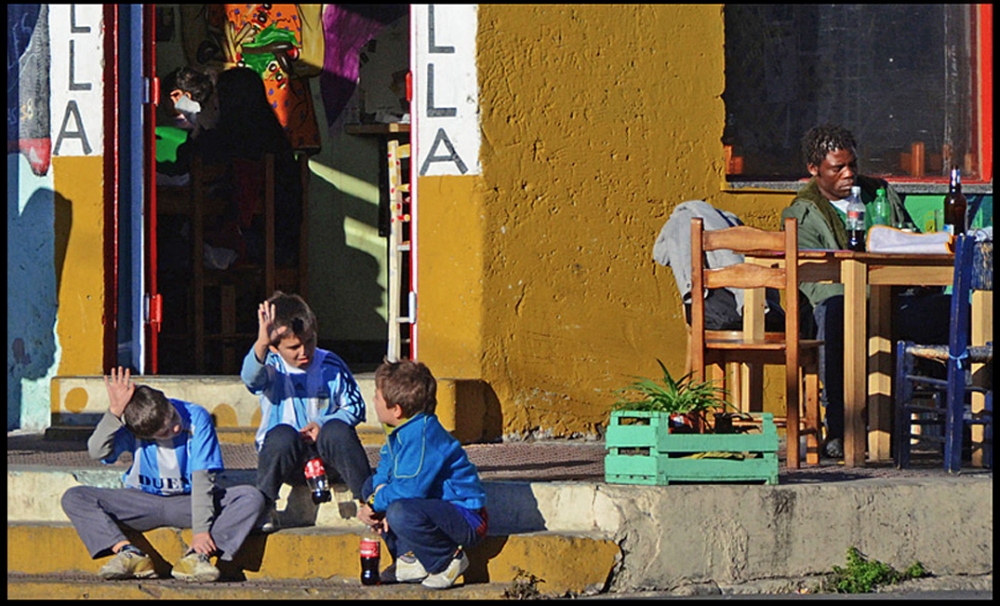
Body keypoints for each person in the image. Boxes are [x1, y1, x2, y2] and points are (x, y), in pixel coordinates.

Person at [782, 123, 951, 459]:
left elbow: (911, 241)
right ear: (814, 170)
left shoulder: (879, 194)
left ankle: (963, 422)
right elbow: (814, 285)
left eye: (852, 165)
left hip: (897, 301)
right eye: (837, 168)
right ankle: (841, 427)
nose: (848, 174)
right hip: (843, 307)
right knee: (834, 312)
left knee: (959, 312)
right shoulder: (802, 213)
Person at [61, 367, 266, 582]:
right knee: (75, 497)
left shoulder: (197, 417)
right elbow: (97, 451)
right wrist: (114, 413)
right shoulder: (131, 427)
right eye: (164, 432)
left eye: (174, 419)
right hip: (141, 502)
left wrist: (201, 533)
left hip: (187, 502)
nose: (175, 429)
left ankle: (196, 558)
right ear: (144, 434)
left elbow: (202, 480)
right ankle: (129, 554)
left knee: (250, 497)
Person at [242, 291, 370, 532]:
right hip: (290, 462)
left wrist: (323, 423)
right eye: (294, 347)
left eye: (309, 341)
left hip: (327, 458)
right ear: (276, 348)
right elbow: (251, 379)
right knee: (281, 435)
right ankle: (264, 504)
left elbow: (355, 408)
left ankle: (368, 498)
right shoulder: (271, 366)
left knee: (338, 431)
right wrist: (261, 343)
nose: (304, 352)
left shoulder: (331, 365)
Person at [357, 359, 489, 590]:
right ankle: (410, 557)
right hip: (430, 506)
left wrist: (374, 504)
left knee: (399, 510)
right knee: (370, 486)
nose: (374, 401)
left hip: (466, 517)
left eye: (377, 397)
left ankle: (446, 560)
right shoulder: (400, 429)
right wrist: (376, 492)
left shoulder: (423, 436)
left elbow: (409, 490)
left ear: (396, 409)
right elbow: (387, 462)